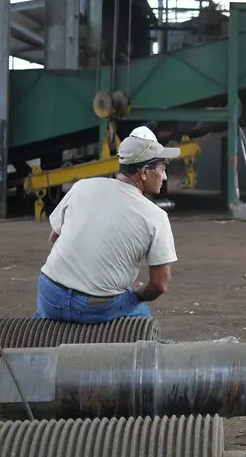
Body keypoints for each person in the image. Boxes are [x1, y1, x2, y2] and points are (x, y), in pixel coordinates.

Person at [33, 126, 180, 324]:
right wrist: (138, 294)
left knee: (42, 324)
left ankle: (39, 333)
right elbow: (160, 284)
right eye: (162, 169)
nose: (165, 176)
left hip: (50, 294)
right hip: (95, 307)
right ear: (144, 172)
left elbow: (54, 238)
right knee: (141, 316)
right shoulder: (155, 216)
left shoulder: (82, 186)